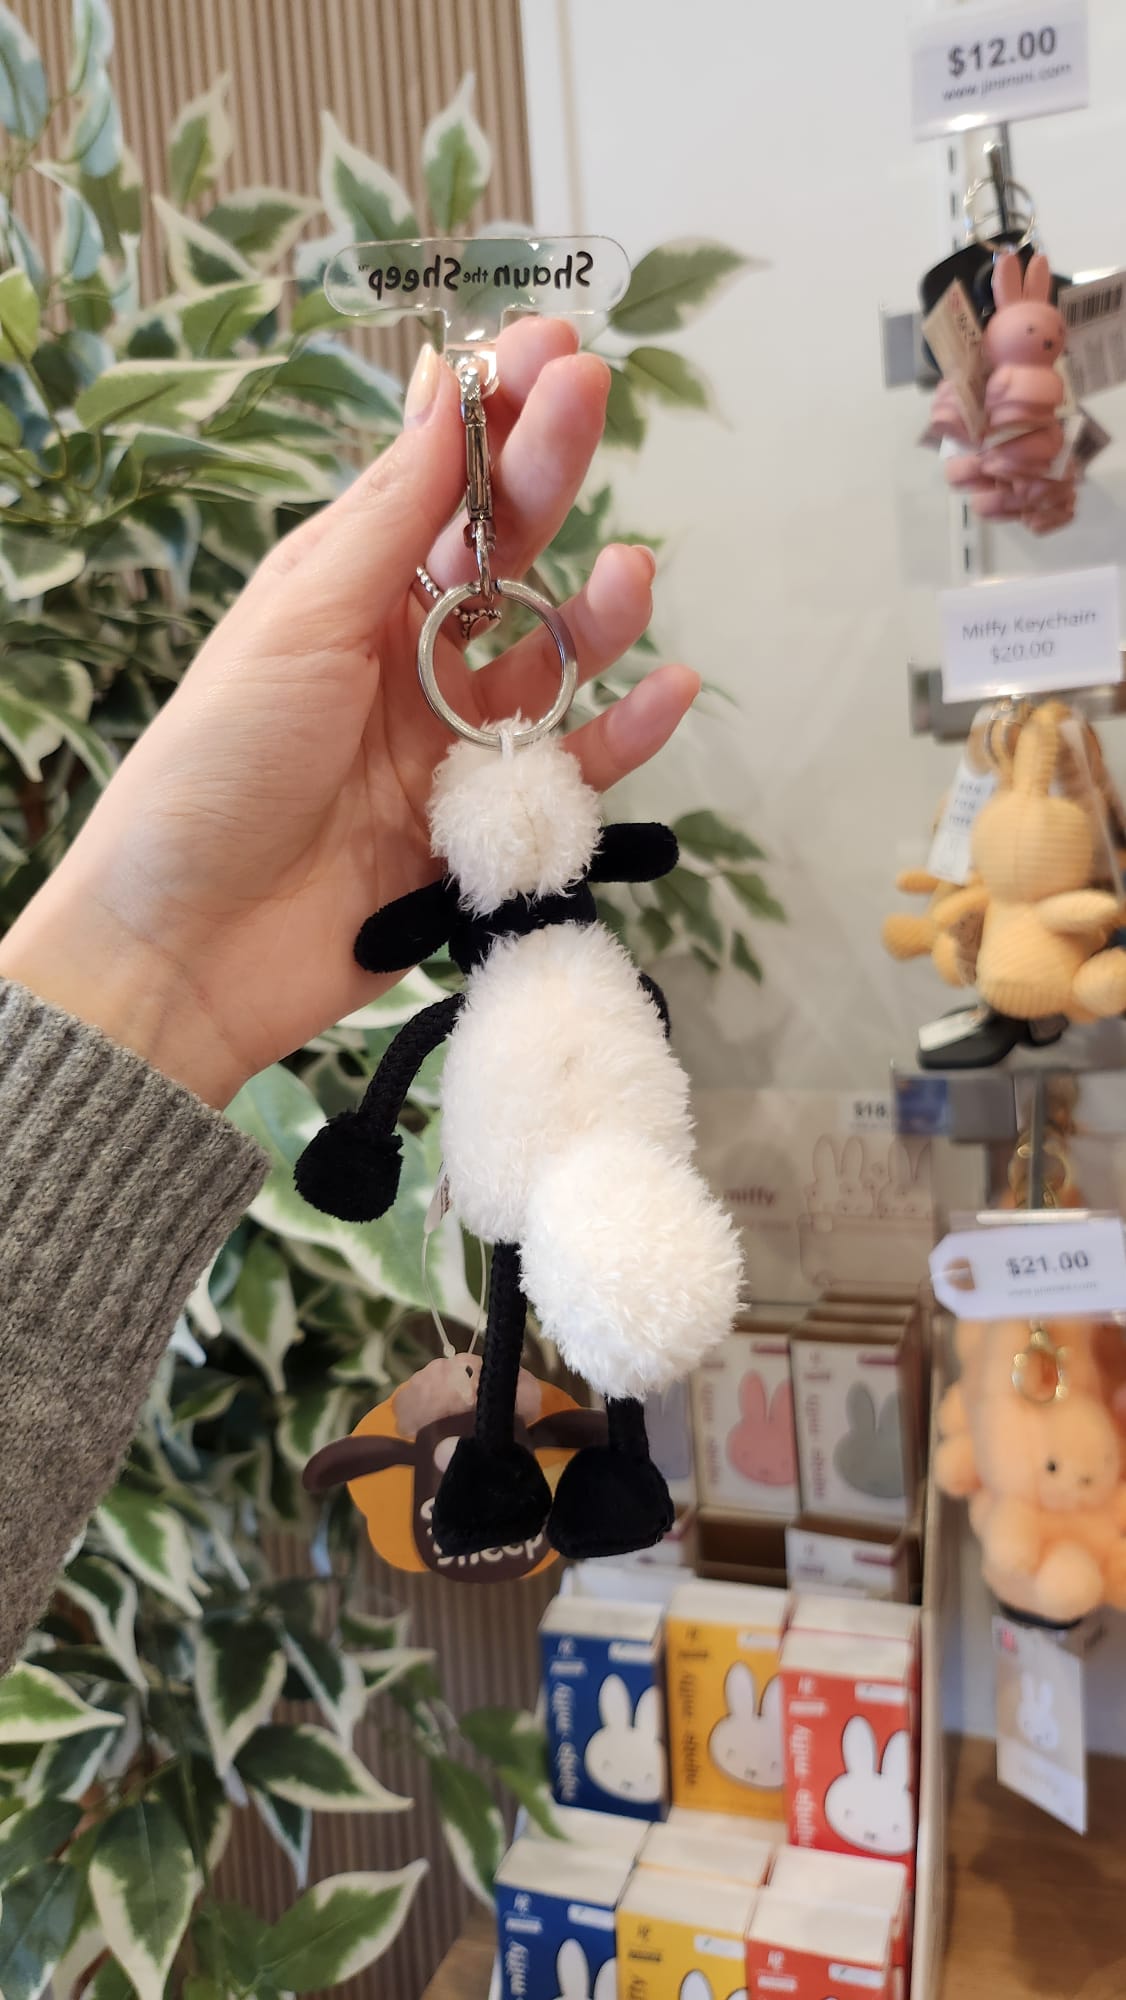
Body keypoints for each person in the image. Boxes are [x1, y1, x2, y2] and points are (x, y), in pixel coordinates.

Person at [0, 320, 701, 1674]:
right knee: (505, 1290)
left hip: (592, 1127)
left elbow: (429, 1003)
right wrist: (363, 1130)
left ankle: (583, 1466)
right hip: (548, 1128)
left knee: (514, 1284)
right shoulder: (503, 953)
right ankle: (530, 1461)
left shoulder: (509, 949)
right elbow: (430, 1020)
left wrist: (161, 980)